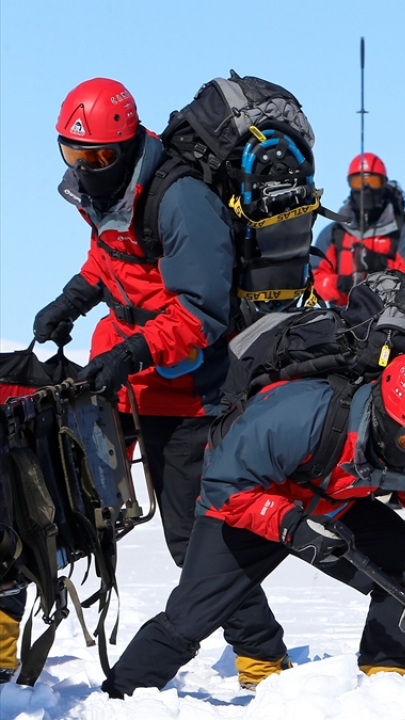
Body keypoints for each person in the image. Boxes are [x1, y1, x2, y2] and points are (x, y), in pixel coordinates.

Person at [30, 78, 286, 689]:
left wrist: (133, 353)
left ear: (124, 147)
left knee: (192, 538)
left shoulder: (181, 199)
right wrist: (74, 298)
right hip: (124, 376)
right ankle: (9, 623)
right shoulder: (108, 192)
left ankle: (263, 660)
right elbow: (113, 256)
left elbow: (202, 314)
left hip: (188, 389)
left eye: (94, 156)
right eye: (72, 153)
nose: (84, 167)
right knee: (51, 493)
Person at [102, 352, 405, 696]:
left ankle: (386, 684)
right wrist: (291, 526)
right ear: (385, 413)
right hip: (248, 505)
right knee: (188, 617)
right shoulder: (298, 416)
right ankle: (120, 695)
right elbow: (224, 486)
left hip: (332, 505)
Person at [313, 153, 405, 306]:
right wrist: (340, 284)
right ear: (349, 184)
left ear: (383, 184)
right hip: (343, 318)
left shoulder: (402, 233)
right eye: (358, 182)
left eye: (373, 182)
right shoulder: (335, 233)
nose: (366, 189)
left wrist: (384, 266)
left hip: (390, 320)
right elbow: (314, 280)